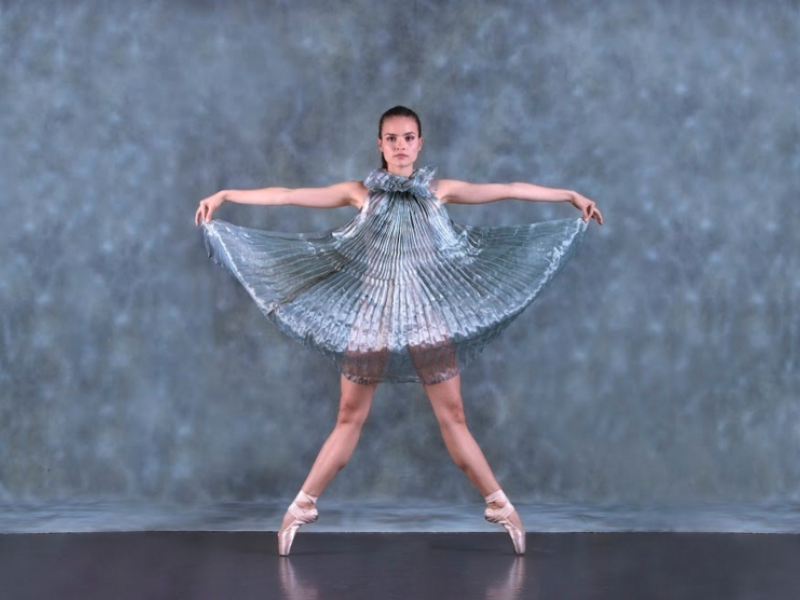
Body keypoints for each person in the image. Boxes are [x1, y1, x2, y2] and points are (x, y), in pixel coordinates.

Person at [194, 106, 603, 557]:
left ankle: (500, 506)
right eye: (392, 138)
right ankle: (300, 507)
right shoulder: (360, 193)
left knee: (454, 418)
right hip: (370, 317)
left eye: (409, 137)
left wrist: (569, 195)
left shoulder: (438, 191)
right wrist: (227, 194)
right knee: (349, 418)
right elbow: (289, 195)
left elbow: (507, 189)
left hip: (426, 318)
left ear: (420, 143)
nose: (401, 145)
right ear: (380, 145)